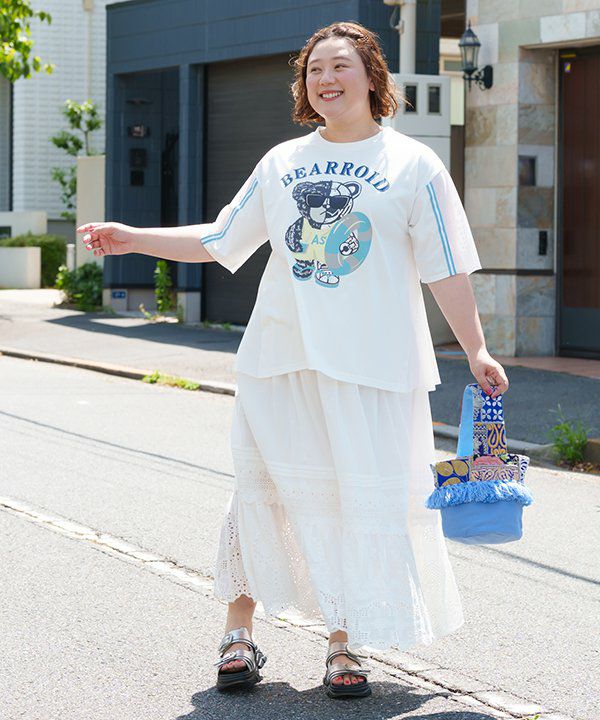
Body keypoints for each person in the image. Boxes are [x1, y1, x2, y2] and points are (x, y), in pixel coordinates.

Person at [77, 20, 509, 700]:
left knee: (357, 500)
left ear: (372, 77)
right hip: (280, 358)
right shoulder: (282, 163)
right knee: (261, 491)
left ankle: (345, 642)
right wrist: (133, 237)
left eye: (340, 66)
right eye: (314, 70)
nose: (325, 79)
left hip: (374, 368)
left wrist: (476, 346)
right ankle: (238, 634)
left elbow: (446, 266)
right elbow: (222, 239)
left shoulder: (414, 165)